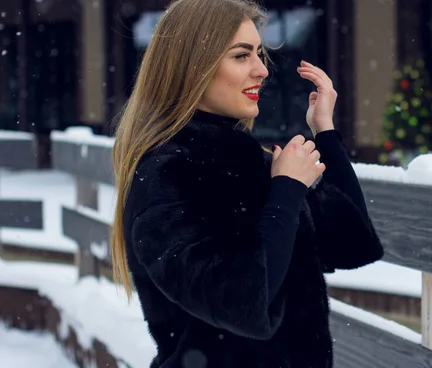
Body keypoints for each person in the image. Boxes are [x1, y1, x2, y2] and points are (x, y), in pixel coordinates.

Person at [110, 0, 383, 367]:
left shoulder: (251, 164)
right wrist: (286, 190)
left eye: (259, 54)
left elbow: (355, 242)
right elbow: (240, 301)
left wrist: (326, 133)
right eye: (241, 56)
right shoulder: (166, 174)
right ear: (194, 67)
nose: (261, 70)